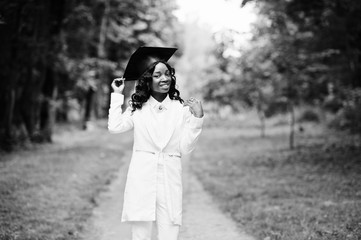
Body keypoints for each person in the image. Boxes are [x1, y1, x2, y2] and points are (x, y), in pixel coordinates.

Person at [108, 46, 204, 240]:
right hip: (142, 176)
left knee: (169, 231)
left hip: (170, 176)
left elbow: (185, 148)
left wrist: (197, 118)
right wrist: (117, 95)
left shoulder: (181, 109)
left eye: (167, 74)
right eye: (158, 75)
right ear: (147, 80)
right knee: (141, 234)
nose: (165, 79)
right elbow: (115, 126)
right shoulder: (137, 108)